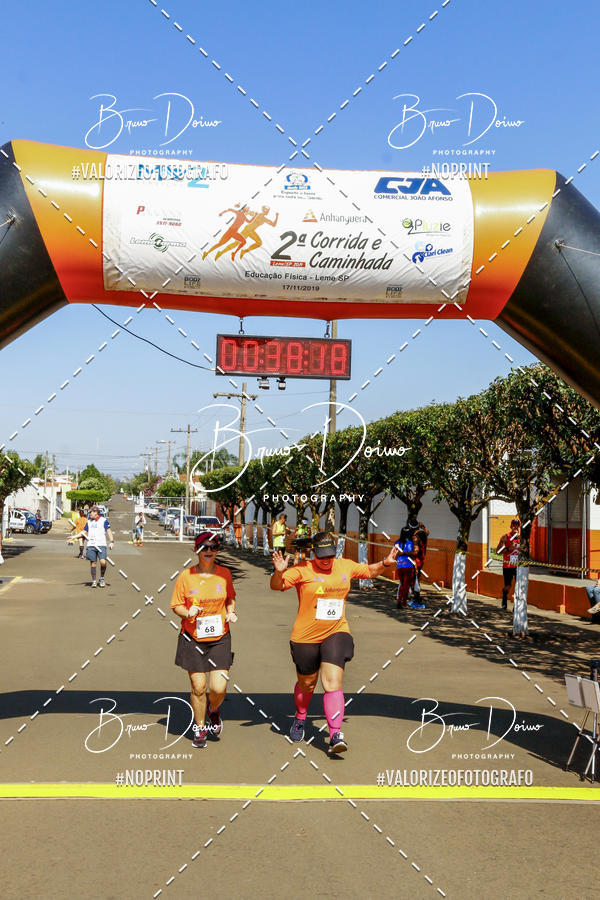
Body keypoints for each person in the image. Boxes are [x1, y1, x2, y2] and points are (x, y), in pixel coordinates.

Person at [270, 531, 398, 755]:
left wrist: (385, 563)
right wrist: (278, 573)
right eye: (321, 555)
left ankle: (336, 734)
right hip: (305, 637)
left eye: (329, 554)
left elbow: (369, 571)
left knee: (332, 683)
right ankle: (300, 717)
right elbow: (276, 586)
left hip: (336, 632)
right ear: (314, 553)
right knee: (307, 685)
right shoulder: (302, 570)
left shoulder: (345, 566)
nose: (326, 559)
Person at [170, 532, 238, 749]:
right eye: (204, 547)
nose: (209, 551)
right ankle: (200, 728)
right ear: (196, 550)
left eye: (213, 547)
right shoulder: (186, 576)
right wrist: (188, 613)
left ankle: (213, 710)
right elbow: (176, 605)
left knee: (218, 688)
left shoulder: (225, 574)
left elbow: (230, 598)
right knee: (199, 687)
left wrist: (231, 612)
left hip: (219, 638)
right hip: (193, 638)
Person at [67, 505, 114, 588]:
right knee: (93, 563)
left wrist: (111, 542)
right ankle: (94, 581)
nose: (89, 514)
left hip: (101, 544)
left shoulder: (104, 521)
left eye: (91, 512)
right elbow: (84, 532)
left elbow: (109, 531)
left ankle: (102, 578)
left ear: (96, 512)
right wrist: (73, 537)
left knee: (103, 562)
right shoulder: (89, 522)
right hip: (91, 545)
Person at [496, 518, 521, 610]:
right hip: (508, 565)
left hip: (518, 566)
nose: (515, 527)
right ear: (511, 526)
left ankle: (516, 606)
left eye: (517, 525)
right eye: (514, 525)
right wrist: (508, 549)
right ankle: (504, 596)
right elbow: (498, 551)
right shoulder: (505, 537)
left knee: (518, 585)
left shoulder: (521, 539)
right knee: (508, 586)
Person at [394, 526, 418, 609]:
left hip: (399, 565)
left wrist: (400, 554)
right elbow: (414, 553)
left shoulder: (397, 542)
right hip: (408, 565)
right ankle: (403, 602)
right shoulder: (411, 542)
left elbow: (395, 553)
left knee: (401, 584)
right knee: (406, 585)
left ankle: (399, 601)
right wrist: (406, 553)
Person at [408, 520, 429, 609]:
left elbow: (415, 551)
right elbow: (428, 532)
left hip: (416, 561)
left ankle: (418, 600)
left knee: (414, 580)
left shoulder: (415, 537)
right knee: (415, 579)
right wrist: (422, 526)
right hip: (422, 559)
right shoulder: (423, 533)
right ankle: (416, 599)